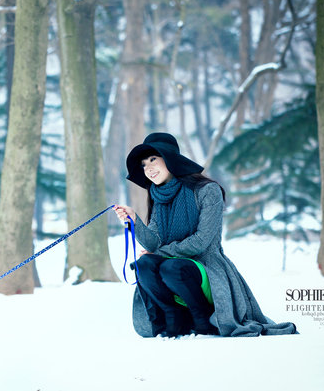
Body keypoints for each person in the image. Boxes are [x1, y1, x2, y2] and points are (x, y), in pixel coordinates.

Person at [114, 132, 297, 338]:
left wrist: (161, 251)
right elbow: (153, 242)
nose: (148, 168)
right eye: (144, 164)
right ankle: (172, 316)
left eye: (153, 159)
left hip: (207, 267)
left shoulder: (207, 190)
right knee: (144, 264)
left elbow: (201, 242)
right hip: (173, 269)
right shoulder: (159, 197)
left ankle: (202, 318)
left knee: (170, 265)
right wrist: (135, 222)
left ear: (170, 159)